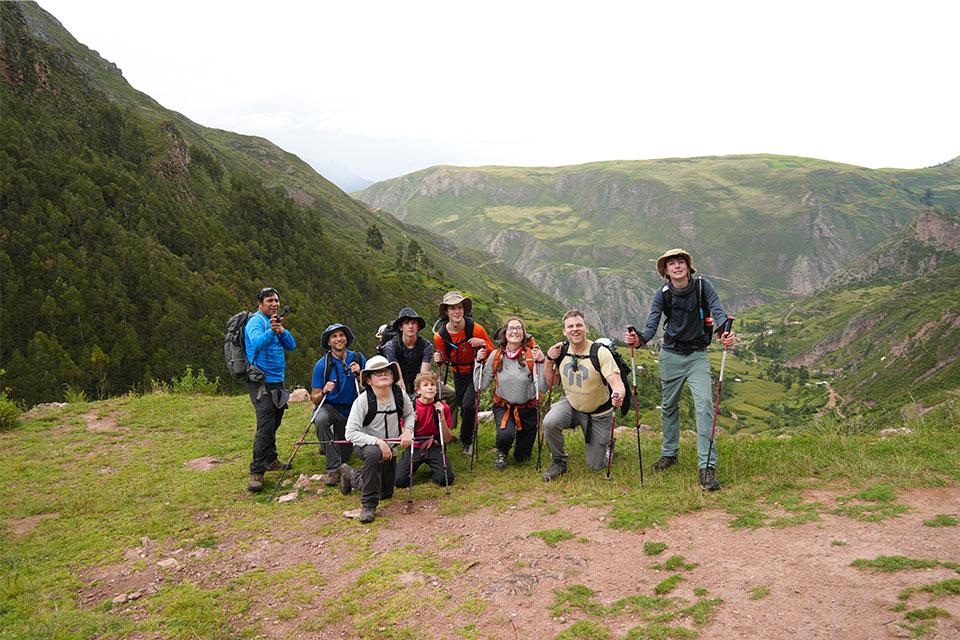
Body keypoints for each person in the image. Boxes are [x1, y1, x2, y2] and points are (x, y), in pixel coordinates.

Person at [624, 248, 736, 491]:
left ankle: (707, 466)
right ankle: (669, 453)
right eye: (671, 263)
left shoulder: (703, 287)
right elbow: (652, 324)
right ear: (665, 271)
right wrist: (639, 339)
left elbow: (718, 312)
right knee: (669, 406)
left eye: (681, 262)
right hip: (670, 355)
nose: (676, 266)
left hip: (697, 355)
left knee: (705, 405)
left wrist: (724, 332)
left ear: (688, 266)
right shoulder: (661, 295)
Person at [541, 309, 625, 481]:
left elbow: (616, 383)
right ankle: (559, 461)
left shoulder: (599, 352)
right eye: (570, 326)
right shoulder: (561, 351)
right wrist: (548, 360)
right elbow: (552, 382)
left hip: (599, 413)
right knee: (549, 422)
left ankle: (609, 443)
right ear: (564, 331)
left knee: (595, 466)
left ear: (586, 327)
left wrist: (618, 394)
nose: (575, 329)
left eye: (579, 325)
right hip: (572, 405)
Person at [340, 356, 415, 523]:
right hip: (367, 447)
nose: (383, 374)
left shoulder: (399, 395)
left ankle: (350, 475)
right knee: (373, 454)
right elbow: (350, 433)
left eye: (386, 371)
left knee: (386, 493)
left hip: (391, 449)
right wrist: (378, 442)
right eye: (376, 372)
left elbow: (410, 414)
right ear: (368, 379)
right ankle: (368, 506)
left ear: (393, 375)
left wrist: (408, 430)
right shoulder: (362, 401)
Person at [474, 318, 546, 469]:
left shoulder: (531, 355)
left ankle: (519, 447)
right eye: (511, 328)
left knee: (522, 457)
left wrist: (542, 362)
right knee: (505, 435)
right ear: (505, 333)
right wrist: (478, 362)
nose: (514, 331)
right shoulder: (496, 355)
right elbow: (479, 385)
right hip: (503, 406)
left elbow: (543, 387)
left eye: (518, 328)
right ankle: (502, 451)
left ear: (523, 334)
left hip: (528, 408)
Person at [244, 287, 296, 492]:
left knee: (275, 419)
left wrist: (282, 331)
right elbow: (255, 343)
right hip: (260, 381)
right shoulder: (256, 322)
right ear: (260, 304)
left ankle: (271, 458)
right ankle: (256, 471)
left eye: (276, 300)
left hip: (277, 380)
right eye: (269, 301)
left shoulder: (277, 323)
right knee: (265, 424)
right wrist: (270, 331)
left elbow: (291, 345)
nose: (274, 304)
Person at [432, 291, 494, 456]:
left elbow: (493, 353)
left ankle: (467, 441)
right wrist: (438, 358)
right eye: (452, 308)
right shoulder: (440, 336)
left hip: (475, 371)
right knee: (463, 406)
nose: (456, 312)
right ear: (446, 312)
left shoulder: (475, 329)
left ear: (464, 309)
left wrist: (481, 344)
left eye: (459, 307)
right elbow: (444, 358)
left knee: (468, 406)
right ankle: (464, 435)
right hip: (458, 374)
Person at [311, 323, 366, 486]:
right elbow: (314, 398)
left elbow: (371, 387)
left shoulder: (358, 359)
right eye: (334, 336)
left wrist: (359, 375)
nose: (339, 339)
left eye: (341, 335)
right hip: (331, 408)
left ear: (346, 338)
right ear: (328, 341)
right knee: (320, 418)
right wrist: (323, 392)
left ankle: (329, 448)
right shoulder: (322, 365)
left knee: (345, 455)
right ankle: (332, 469)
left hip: (352, 410)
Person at [395, 371, 456, 487]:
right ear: (418, 390)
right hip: (415, 445)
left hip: (434, 445)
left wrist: (441, 418)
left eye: (432, 385)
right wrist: (412, 422)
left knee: (446, 479)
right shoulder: (410, 408)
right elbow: (404, 434)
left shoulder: (444, 408)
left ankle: (436, 469)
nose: (430, 388)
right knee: (399, 481)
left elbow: (447, 439)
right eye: (425, 385)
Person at [382, 307, 435, 395]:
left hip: (418, 381)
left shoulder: (426, 346)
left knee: (449, 394)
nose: (410, 326)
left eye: (414, 323)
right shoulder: (391, 346)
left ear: (418, 327)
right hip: (397, 381)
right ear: (400, 327)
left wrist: (418, 396)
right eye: (406, 323)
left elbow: (424, 376)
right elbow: (398, 378)